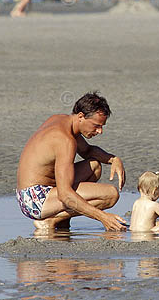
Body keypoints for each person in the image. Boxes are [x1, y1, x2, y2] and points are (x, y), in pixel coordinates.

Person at [16, 92, 128, 232]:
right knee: (110, 195)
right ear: (81, 116)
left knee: (94, 166)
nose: (100, 131)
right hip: (34, 200)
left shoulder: (61, 120)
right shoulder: (65, 140)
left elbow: (87, 151)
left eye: (102, 126)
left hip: (30, 194)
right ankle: (51, 221)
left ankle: (61, 223)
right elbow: (65, 194)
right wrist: (103, 217)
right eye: (96, 126)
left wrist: (114, 159)